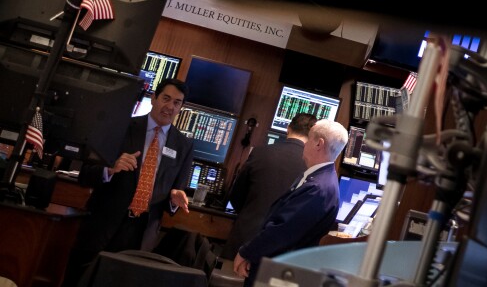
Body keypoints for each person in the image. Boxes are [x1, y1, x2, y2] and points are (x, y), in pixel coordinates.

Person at [63, 78, 195, 286]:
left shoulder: (184, 145)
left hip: (142, 236)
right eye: (166, 99)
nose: (170, 106)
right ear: (154, 98)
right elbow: (84, 173)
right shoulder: (121, 127)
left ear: (181, 108)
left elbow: (176, 193)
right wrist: (110, 169)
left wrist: (175, 200)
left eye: (177, 103)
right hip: (103, 225)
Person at [233, 119, 348, 285]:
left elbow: (281, 230)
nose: (305, 143)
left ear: (319, 144)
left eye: (308, 138)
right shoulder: (319, 179)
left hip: (278, 274)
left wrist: (247, 253)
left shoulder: (318, 188)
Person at [220, 112, 317, 260]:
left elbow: (235, 197)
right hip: (279, 252)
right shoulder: (313, 167)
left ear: (288, 128)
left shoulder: (259, 152)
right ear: (311, 136)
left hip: (244, 238)